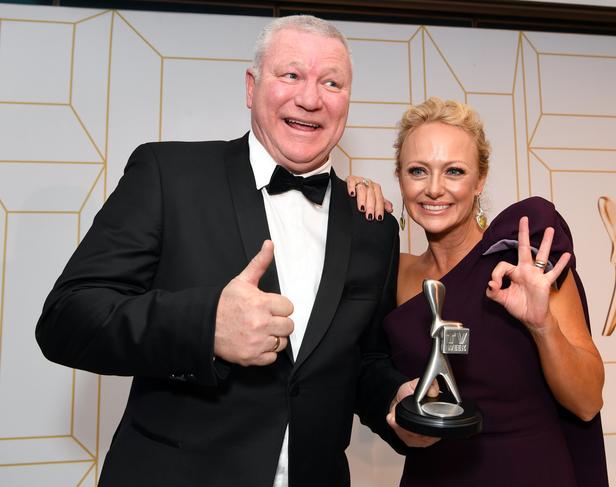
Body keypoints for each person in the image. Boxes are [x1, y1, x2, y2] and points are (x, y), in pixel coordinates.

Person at [35, 15, 431, 487]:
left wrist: (397, 401)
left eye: (332, 82)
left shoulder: (375, 227)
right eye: (291, 75)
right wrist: (207, 326)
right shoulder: (168, 174)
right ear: (251, 86)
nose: (310, 97)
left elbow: (363, 362)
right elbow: (67, 318)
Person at [349, 97, 608, 486]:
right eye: (417, 171)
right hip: (431, 474)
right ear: (399, 178)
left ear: (480, 179)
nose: (434, 189)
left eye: (454, 171)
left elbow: (587, 403)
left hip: (530, 473)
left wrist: (542, 326)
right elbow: (364, 369)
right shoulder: (392, 271)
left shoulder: (523, 259)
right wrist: (347, 197)